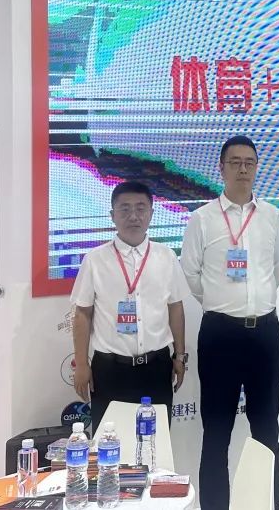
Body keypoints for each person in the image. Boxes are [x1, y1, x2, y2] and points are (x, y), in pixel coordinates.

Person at [181, 136, 279, 510]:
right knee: (216, 432)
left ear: (256, 167)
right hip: (220, 335)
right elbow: (191, 274)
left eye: (249, 162)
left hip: (264, 334)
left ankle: (268, 504)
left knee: (267, 430)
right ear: (221, 168)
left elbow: (276, 270)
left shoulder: (272, 216)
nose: (243, 169)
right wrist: (222, 304)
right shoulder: (202, 218)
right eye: (235, 162)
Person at [71, 180, 189, 430]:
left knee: (156, 444)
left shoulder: (166, 257)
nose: (133, 216)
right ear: (112, 215)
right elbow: (82, 313)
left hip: (157, 368)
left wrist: (179, 356)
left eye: (140, 208)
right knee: (109, 445)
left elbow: (175, 308)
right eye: (124, 209)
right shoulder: (95, 260)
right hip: (110, 370)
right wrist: (81, 364)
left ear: (151, 214)